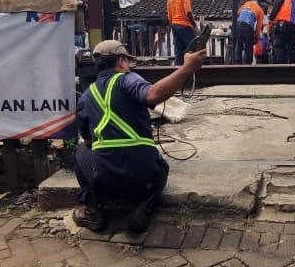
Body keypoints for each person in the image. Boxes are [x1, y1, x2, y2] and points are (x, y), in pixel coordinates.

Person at [71, 41, 206, 232]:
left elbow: (88, 142)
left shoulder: (85, 97)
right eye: (127, 62)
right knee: (161, 166)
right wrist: (187, 68)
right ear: (121, 62)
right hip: (145, 178)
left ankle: (93, 210)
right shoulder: (127, 79)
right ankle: (142, 208)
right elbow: (152, 95)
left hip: (107, 181)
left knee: (80, 151)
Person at [166, 0, 196, 65]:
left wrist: (173, 28)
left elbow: (169, 17)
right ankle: (191, 68)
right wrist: (195, 26)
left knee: (178, 49)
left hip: (175, 25)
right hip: (185, 25)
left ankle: (178, 69)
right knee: (191, 48)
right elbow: (188, 12)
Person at [232, 0, 268, 64]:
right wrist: (256, 38)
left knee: (239, 45)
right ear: (263, 8)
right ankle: (248, 65)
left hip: (238, 24)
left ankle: (237, 65)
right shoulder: (261, 11)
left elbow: (238, 13)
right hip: (248, 26)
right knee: (249, 46)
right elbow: (258, 27)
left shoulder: (247, 3)